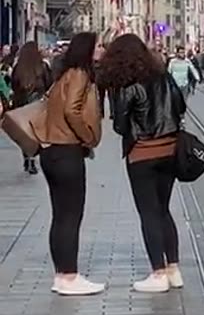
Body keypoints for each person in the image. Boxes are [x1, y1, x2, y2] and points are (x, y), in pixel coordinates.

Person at [98, 33, 186, 293]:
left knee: (148, 212)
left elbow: (120, 125)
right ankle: (174, 269)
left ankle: (158, 273)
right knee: (164, 209)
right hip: (169, 150)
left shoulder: (127, 85)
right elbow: (180, 107)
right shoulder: (163, 76)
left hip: (142, 154)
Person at [39, 32, 105, 296]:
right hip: (67, 151)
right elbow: (72, 110)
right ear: (87, 50)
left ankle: (61, 274)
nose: (101, 49)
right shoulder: (79, 74)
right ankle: (69, 276)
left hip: (51, 151)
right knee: (71, 216)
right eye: (98, 45)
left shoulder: (62, 75)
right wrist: (87, 137)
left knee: (60, 215)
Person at [11, 41, 52, 175]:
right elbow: (49, 84)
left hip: (22, 105)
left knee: (25, 133)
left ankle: (28, 158)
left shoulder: (18, 67)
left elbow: (14, 85)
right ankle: (33, 158)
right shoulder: (43, 67)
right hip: (38, 105)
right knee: (36, 133)